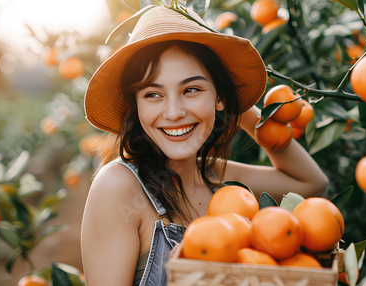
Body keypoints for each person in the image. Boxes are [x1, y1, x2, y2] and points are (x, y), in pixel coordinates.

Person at [81, 5, 328, 286]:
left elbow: (311, 183)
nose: (173, 112)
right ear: (136, 107)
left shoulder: (215, 178)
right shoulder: (119, 187)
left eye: (191, 89)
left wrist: (240, 104)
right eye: (153, 94)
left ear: (219, 96)